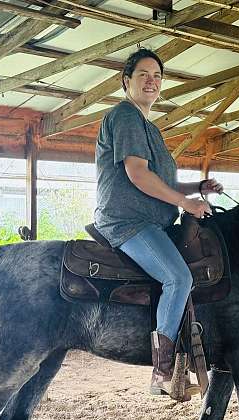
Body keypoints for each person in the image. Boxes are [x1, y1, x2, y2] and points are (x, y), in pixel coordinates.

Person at [94, 48, 223, 398]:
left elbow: (159, 181)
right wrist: (185, 203)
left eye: (157, 76)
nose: (151, 81)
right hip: (128, 221)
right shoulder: (124, 117)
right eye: (143, 75)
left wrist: (196, 187)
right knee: (177, 276)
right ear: (126, 82)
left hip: (152, 221)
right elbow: (137, 176)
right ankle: (163, 373)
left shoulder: (149, 127)